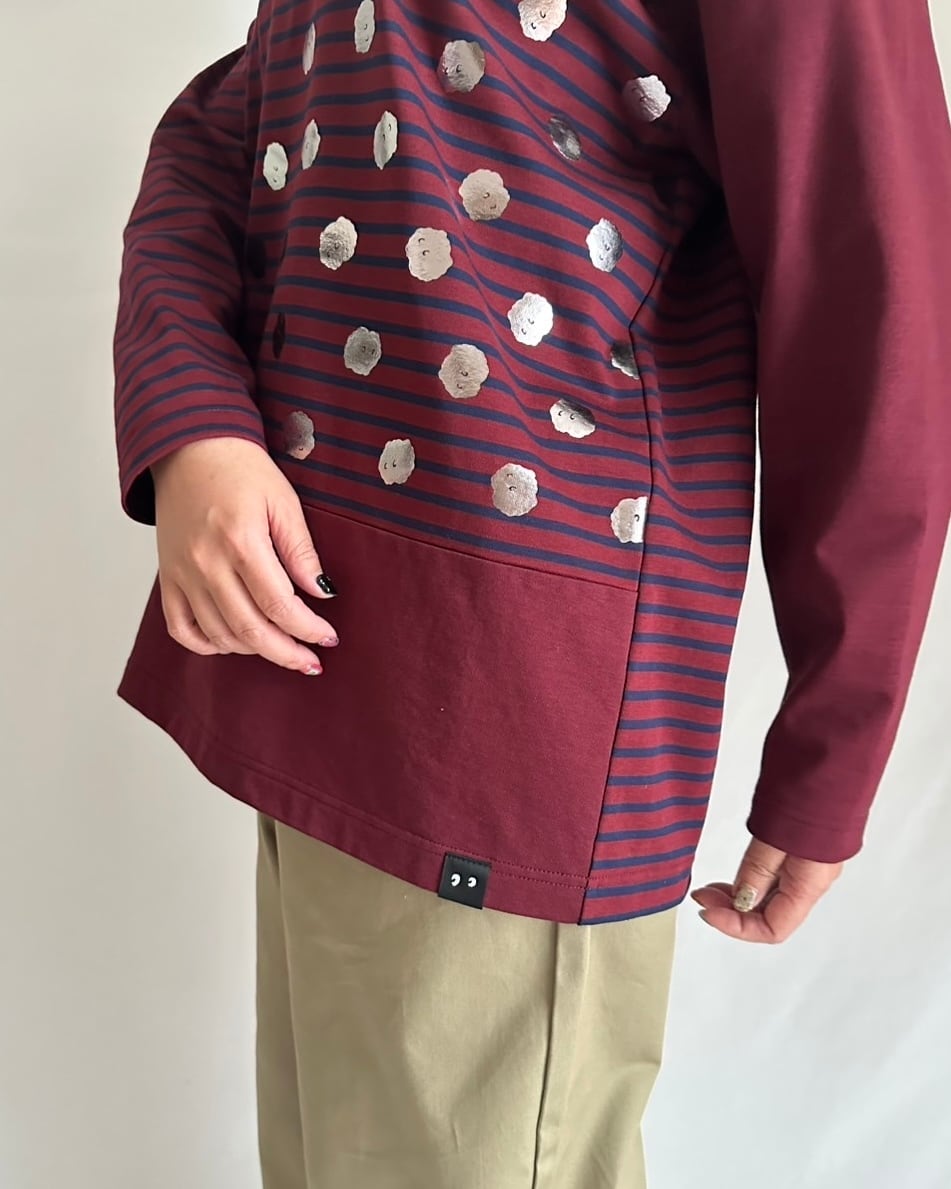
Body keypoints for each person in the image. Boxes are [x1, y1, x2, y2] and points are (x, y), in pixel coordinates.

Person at [112, 2, 951, 1185]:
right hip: (309, 656)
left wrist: (836, 740)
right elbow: (230, 123)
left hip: (509, 711)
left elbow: (873, 284)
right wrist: (195, 420)